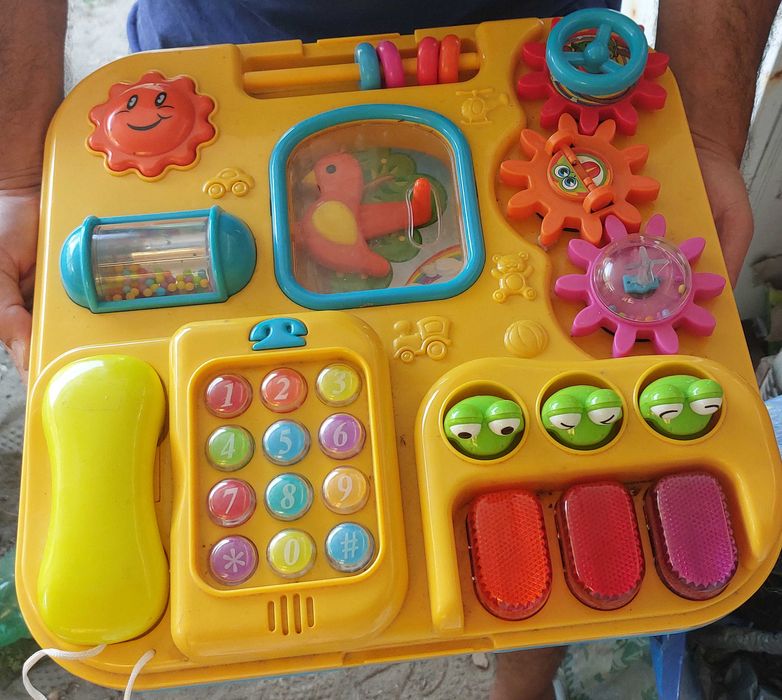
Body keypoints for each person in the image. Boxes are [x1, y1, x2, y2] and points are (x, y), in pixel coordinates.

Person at [1, 2, 779, 699]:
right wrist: (19, 180)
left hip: (535, 72)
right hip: (208, 88)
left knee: (537, 548)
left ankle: (522, 679)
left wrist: (705, 136)